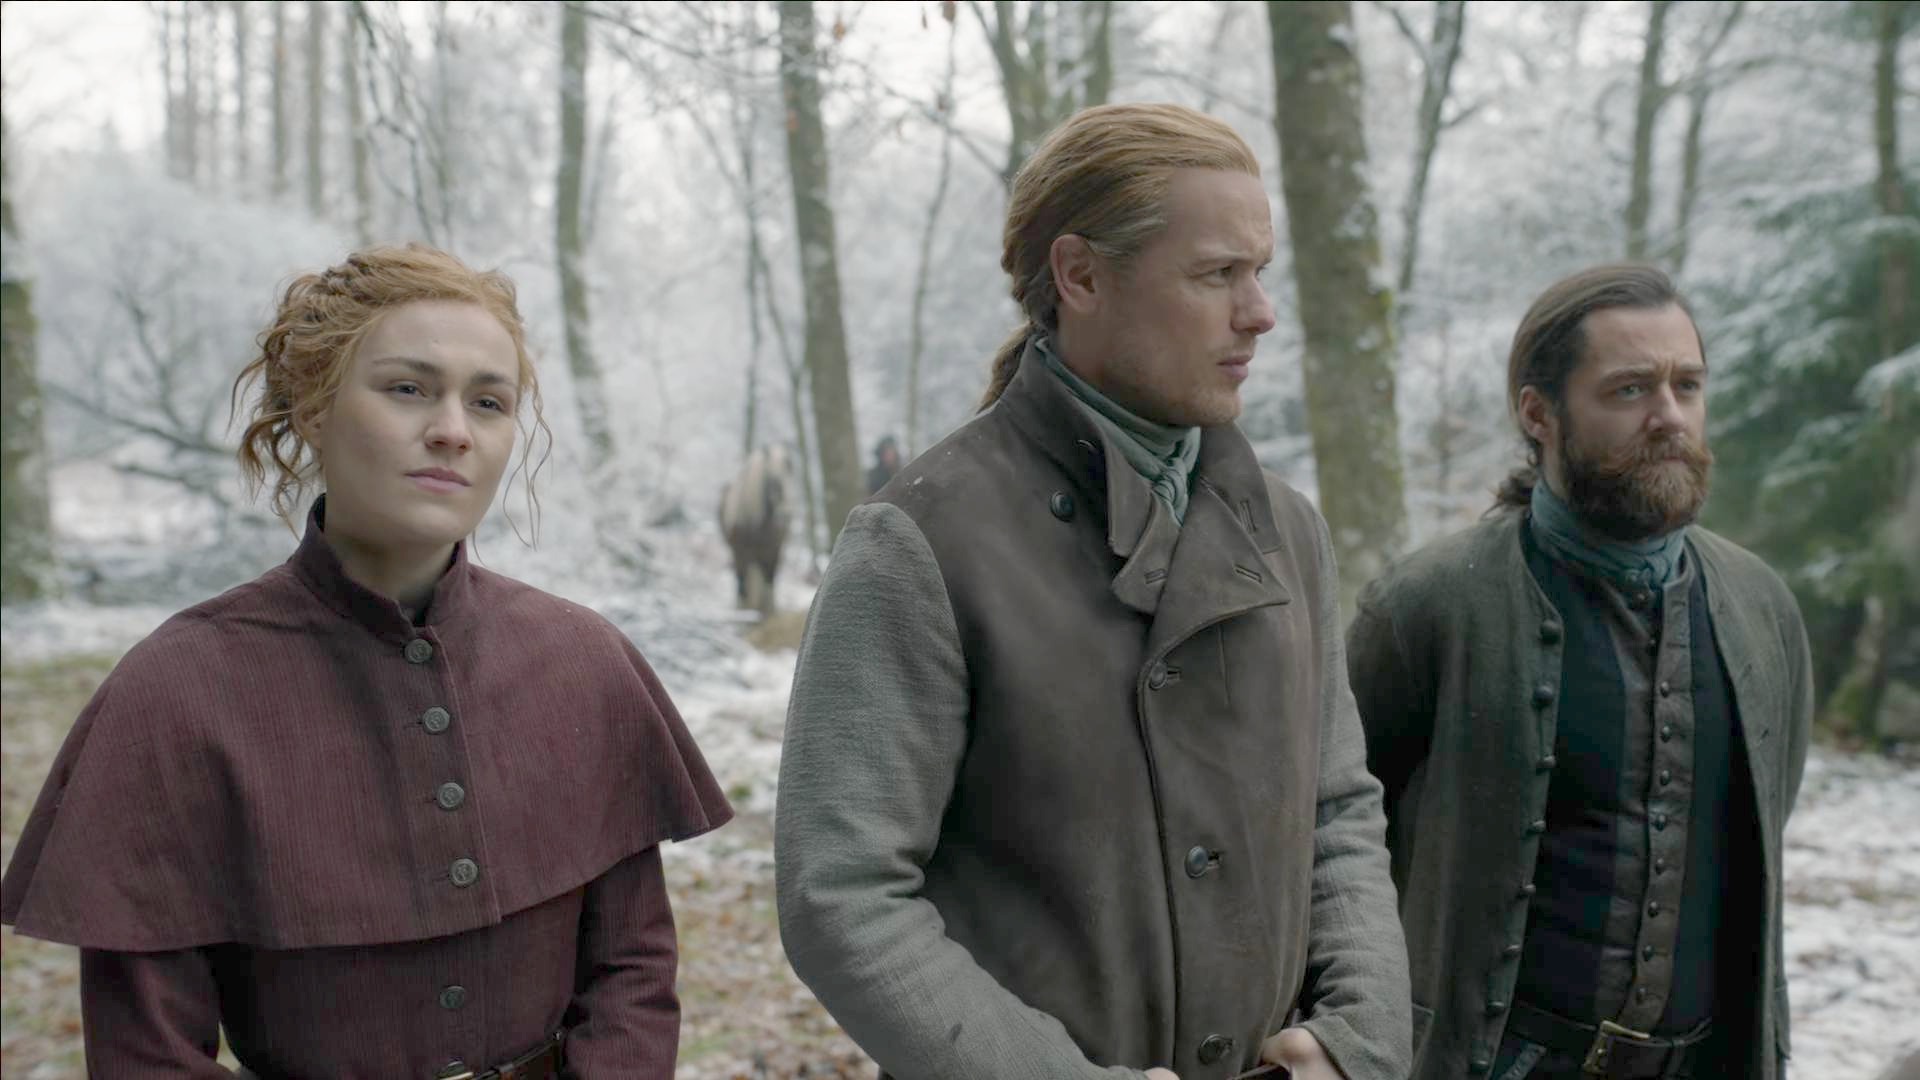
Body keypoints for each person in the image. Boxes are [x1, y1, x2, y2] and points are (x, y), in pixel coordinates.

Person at [774, 103, 1410, 1080]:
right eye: (1217, 274)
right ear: (1080, 275)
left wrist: (1357, 1039)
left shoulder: (1290, 533)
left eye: (1260, 271)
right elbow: (843, 893)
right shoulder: (920, 544)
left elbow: (1337, 813)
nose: (1260, 312)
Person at [1, 245, 733, 1078]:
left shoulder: (582, 663)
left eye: (488, 401)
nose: (453, 429)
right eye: (407, 389)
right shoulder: (176, 694)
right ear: (314, 408)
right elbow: (148, 1056)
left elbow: (633, 974)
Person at [1347, 263, 1811, 1080]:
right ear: (1539, 413)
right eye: (1630, 390)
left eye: (1688, 385)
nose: (1670, 417)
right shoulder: (1428, 606)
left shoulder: (1761, 608)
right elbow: (1336, 847)